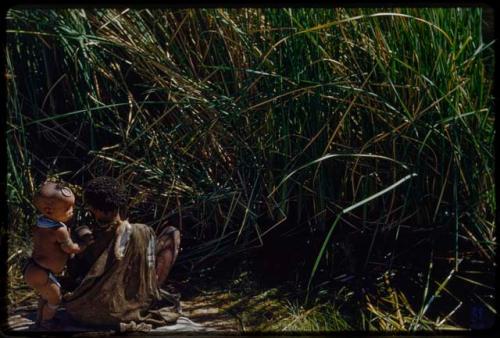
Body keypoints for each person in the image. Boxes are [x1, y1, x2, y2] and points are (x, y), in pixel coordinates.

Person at [63, 176, 181, 330]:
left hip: (84, 310)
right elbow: (149, 264)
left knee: (80, 233)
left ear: (92, 208)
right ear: (121, 202)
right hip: (131, 309)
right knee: (172, 233)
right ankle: (151, 291)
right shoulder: (143, 232)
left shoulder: (88, 236)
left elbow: (76, 269)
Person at [23, 181, 93, 329]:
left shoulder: (39, 223)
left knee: (45, 296)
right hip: (41, 272)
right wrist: (85, 244)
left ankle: (40, 320)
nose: (72, 211)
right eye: (68, 208)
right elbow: (70, 249)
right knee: (56, 300)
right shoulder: (58, 230)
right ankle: (47, 322)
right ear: (48, 210)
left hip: (36, 268)